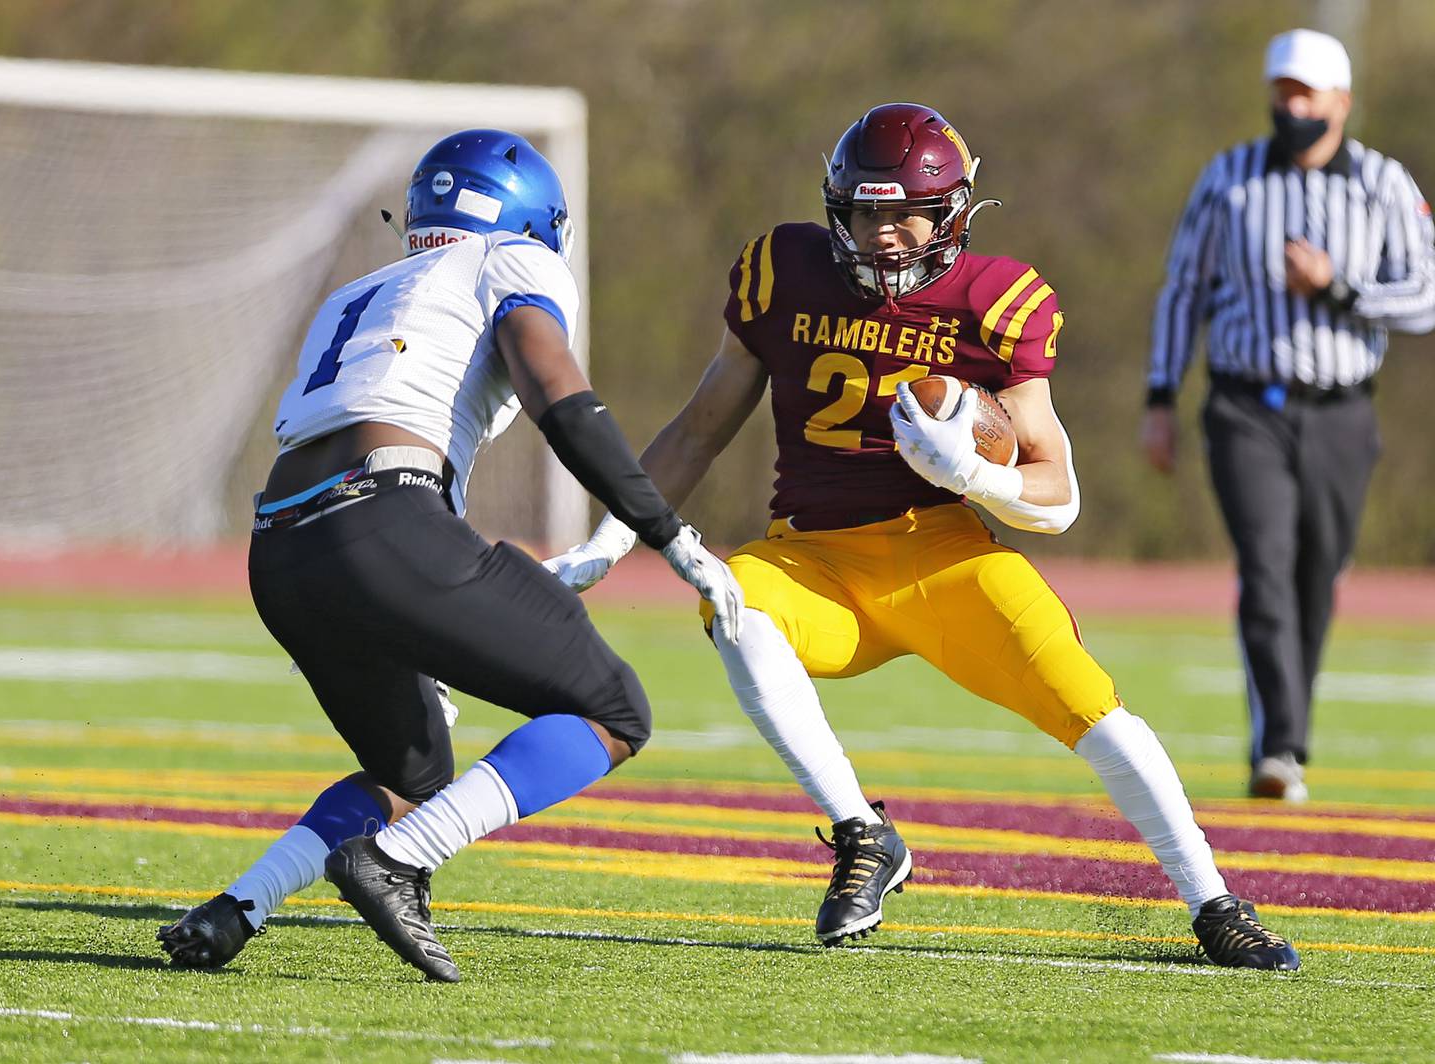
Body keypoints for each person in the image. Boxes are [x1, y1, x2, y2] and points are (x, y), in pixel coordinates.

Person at [539, 102, 1301, 970]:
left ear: (953, 214)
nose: (887, 235)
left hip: (943, 554)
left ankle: (1213, 901)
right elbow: (699, 427)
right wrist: (613, 536)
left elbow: (1058, 499)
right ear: (838, 210)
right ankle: (863, 833)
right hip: (814, 558)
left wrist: (971, 473)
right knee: (734, 597)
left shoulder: (994, 299)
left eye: (906, 213)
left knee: (1097, 712)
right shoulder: (781, 269)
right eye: (867, 212)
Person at [157, 129, 741, 983]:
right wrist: (669, 533)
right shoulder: (512, 258)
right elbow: (558, 397)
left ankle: (237, 907)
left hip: (281, 545)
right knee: (615, 711)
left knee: (412, 768)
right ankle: (400, 862)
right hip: (382, 522)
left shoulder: (360, 293)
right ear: (535, 221)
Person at [1142, 29, 1435, 802]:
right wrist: (1160, 397)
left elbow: (1427, 294)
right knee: (1266, 565)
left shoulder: (1380, 182)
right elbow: (1183, 289)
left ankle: (1284, 738)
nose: (1292, 106)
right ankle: (1279, 747)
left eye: (1306, 94)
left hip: (1341, 411)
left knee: (1316, 573)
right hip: (1246, 405)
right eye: (1282, 92)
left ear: (1341, 101)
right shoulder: (1229, 179)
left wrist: (1341, 287)